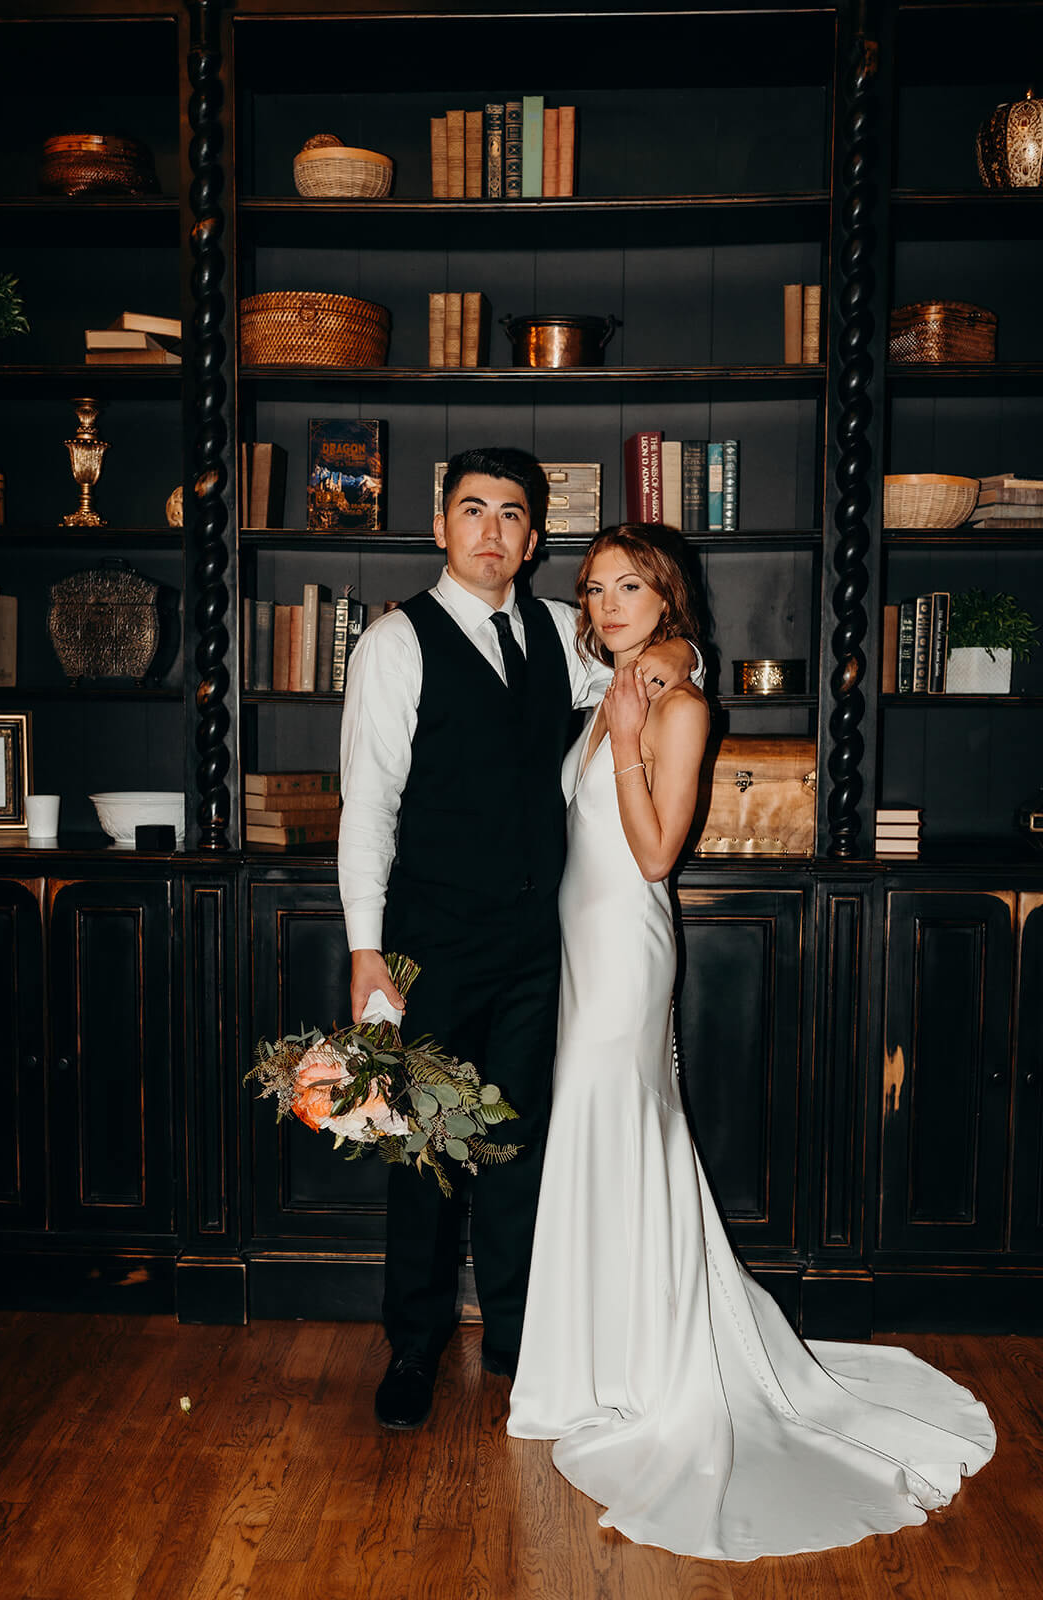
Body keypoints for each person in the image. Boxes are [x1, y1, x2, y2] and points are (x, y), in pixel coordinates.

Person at [507, 523, 996, 1561]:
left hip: (625, 946)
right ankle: (595, 1358)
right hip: (576, 941)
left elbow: (651, 853)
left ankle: (643, 1371)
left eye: (626, 587)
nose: (604, 606)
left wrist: (637, 731)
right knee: (598, 1136)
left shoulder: (673, 706)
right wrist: (623, 700)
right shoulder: (611, 685)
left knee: (619, 1127)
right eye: (592, 589)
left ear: (666, 593)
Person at [337, 448, 698, 1431]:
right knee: (425, 1150)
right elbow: (366, 804)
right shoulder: (394, 645)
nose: (491, 531)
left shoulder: (556, 632)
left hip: (540, 947)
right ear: (441, 527)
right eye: (471, 510)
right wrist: (367, 949)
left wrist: (680, 660)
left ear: (532, 539)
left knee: (512, 1147)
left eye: (509, 516)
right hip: (430, 941)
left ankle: (511, 1337)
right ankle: (411, 1348)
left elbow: (651, 654)